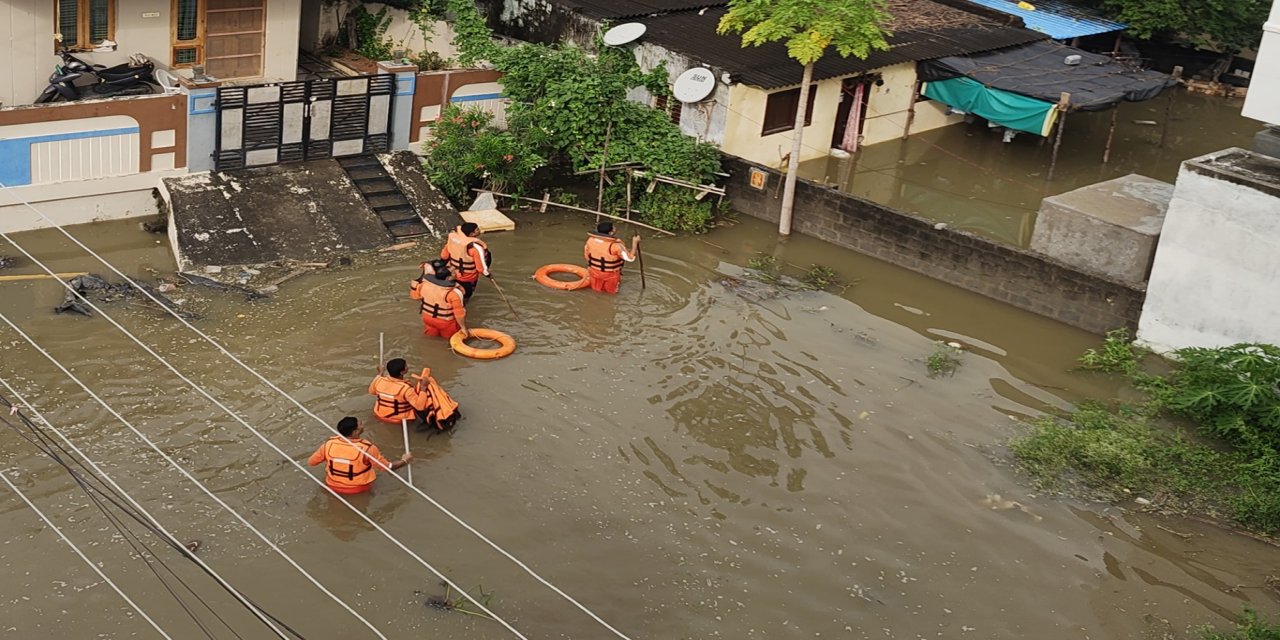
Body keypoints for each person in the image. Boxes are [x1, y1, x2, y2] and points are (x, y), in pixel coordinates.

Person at [308, 417, 411, 495]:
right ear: (355, 431)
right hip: (358, 489)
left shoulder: (328, 445)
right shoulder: (367, 448)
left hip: (332, 486)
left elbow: (311, 462)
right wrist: (405, 460)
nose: (362, 425)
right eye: (360, 424)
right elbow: (387, 467)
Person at [410, 259, 469, 339]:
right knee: (450, 339)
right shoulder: (453, 293)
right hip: (445, 322)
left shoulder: (423, 285)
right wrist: (463, 328)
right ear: (449, 278)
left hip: (427, 318)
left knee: (430, 338)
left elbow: (415, 297)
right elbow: (459, 314)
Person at [583, 221, 640, 294]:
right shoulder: (615, 245)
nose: (615, 228)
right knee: (611, 294)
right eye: (614, 227)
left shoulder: (590, 240)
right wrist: (634, 243)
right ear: (611, 232)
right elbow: (630, 258)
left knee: (596, 291)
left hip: (594, 271)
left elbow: (587, 256)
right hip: (610, 274)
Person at [369, 358, 430, 424]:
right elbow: (420, 407)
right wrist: (423, 387)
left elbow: (372, 391)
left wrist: (380, 373)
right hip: (400, 420)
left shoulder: (378, 380)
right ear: (402, 372)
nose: (408, 367)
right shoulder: (406, 389)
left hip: (379, 415)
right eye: (406, 366)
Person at [440, 222, 490, 301]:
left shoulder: (453, 241)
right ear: (471, 234)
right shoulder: (476, 248)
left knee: (453, 294)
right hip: (468, 278)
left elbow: (444, 256)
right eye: (477, 230)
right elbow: (481, 269)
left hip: (452, 273)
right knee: (466, 297)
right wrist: (488, 274)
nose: (479, 230)